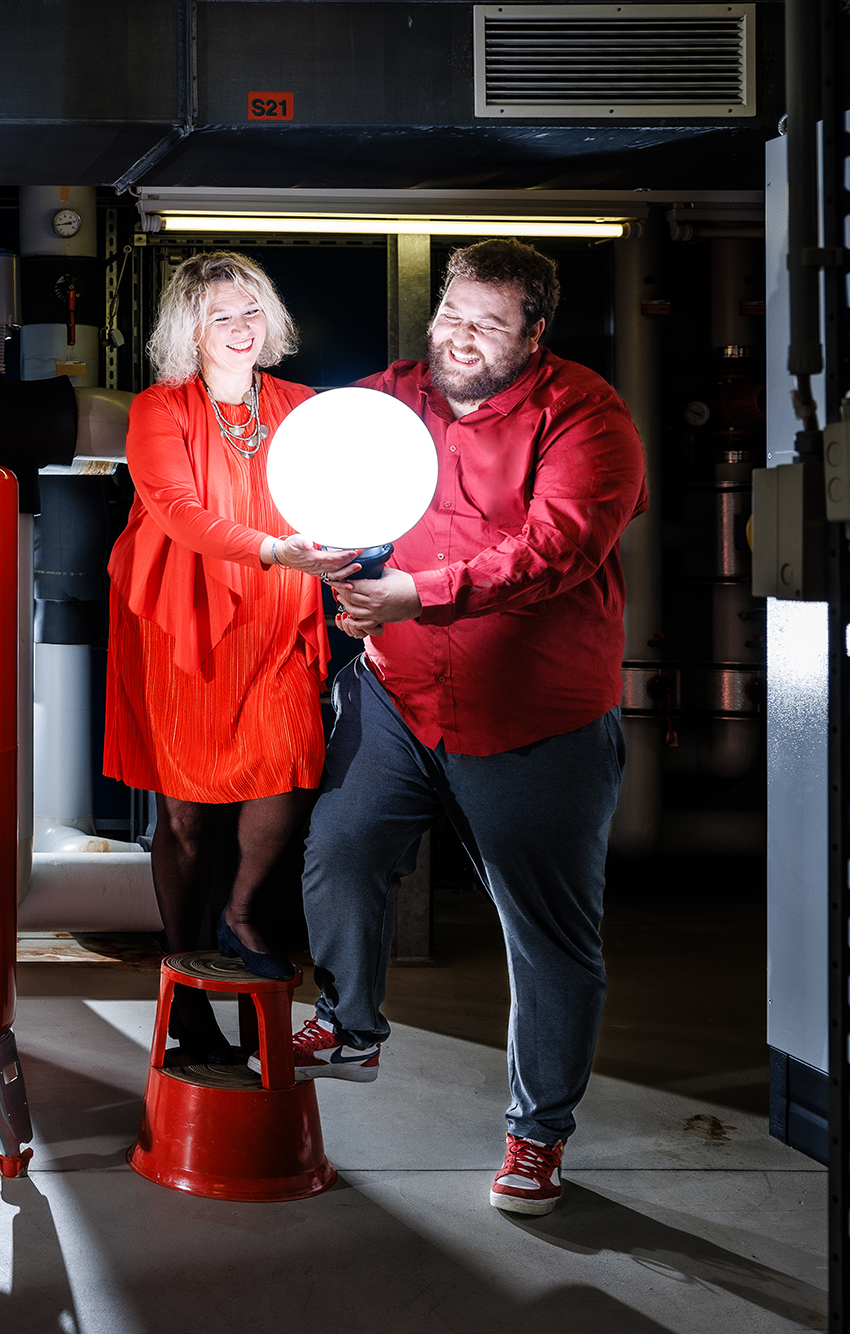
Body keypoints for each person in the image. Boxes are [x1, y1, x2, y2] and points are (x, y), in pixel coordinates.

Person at [290, 239, 647, 1216]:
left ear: (533, 333)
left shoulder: (585, 413)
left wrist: (415, 592)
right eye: (450, 313)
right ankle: (348, 1023)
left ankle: (536, 1135)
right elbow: (330, 479)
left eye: (486, 324)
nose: (458, 337)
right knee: (342, 848)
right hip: (400, 694)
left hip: (536, 713)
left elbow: (558, 545)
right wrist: (338, 561)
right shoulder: (387, 395)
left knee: (545, 934)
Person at [103, 251, 357, 1063]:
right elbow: (176, 511)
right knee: (183, 813)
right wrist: (276, 549)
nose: (241, 328)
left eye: (251, 311)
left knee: (286, 763)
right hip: (182, 610)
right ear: (192, 331)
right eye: (221, 316)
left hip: (278, 609)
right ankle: (182, 972)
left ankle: (242, 910)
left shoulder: (302, 405)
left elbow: (342, 494)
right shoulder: (158, 408)